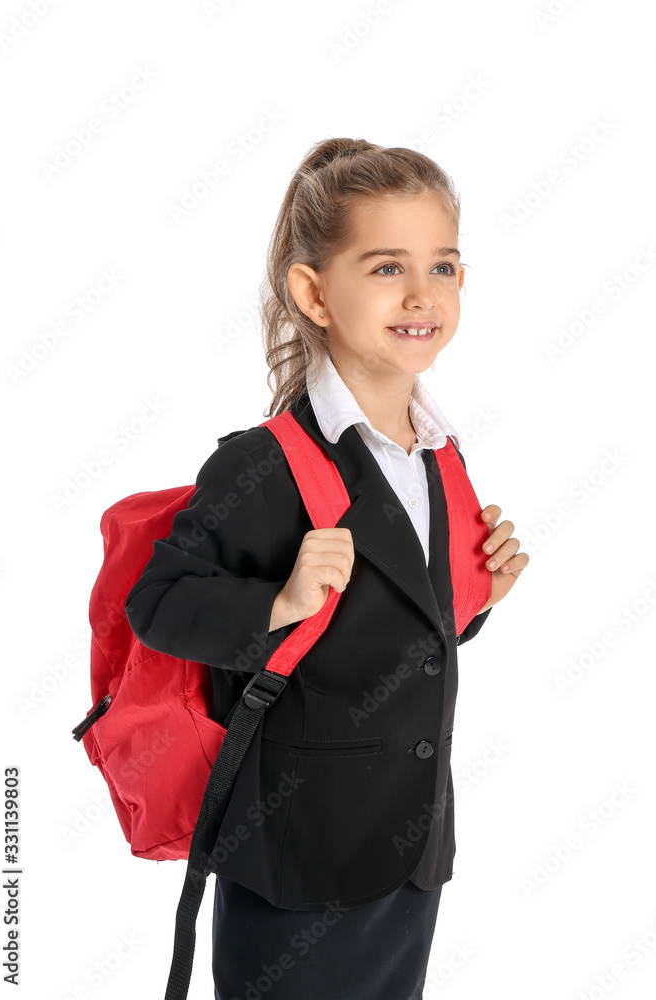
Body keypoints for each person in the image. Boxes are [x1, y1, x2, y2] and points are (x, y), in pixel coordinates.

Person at [125, 137, 528, 1000]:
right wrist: (278, 597)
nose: (423, 294)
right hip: (296, 854)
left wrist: (476, 597)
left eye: (445, 266)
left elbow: (401, 635)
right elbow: (155, 603)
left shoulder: (434, 455)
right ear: (313, 292)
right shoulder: (263, 465)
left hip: (408, 846)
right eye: (387, 268)